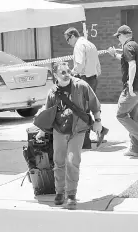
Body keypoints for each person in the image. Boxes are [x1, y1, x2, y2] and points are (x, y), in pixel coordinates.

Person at [36, 62, 103, 209]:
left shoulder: (81, 86)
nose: (67, 74)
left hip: (77, 130)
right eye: (63, 72)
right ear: (56, 75)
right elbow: (48, 113)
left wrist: (97, 121)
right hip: (59, 130)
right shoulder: (52, 92)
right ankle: (60, 192)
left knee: (72, 160)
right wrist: (42, 130)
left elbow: (94, 104)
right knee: (59, 161)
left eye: (68, 71)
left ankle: (71, 194)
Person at [107, 25, 138, 157]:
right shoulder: (134, 45)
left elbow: (132, 65)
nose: (118, 39)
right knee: (133, 117)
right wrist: (114, 55)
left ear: (123, 35)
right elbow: (127, 61)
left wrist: (130, 86)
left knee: (121, 114)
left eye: (118, 36)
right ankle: (134, 149)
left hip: (135, 87)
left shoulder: (127, 46)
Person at [64, 27, 109, 149]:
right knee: (87, 108)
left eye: (68, 40)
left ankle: (85, 141)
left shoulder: (79, 46)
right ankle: (97, 132)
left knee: (80, 110)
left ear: (73, 36)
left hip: (83, 79)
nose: (68, 43)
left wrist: (70, 74)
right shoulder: (91, 44)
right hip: (93, 78)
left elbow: (79, 64)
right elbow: (98, 66)